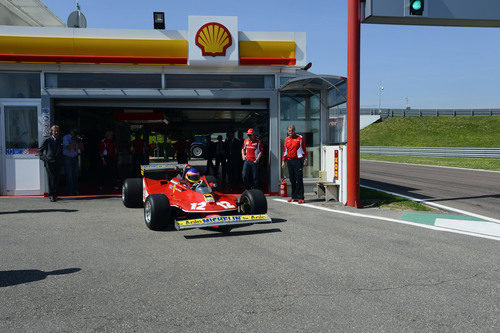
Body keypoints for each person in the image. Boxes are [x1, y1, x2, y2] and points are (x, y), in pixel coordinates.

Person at [282, 125, 307, 203]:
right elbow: (285, 151)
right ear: (287, 131)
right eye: (289, 131)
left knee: (299, 179)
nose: (290, 132)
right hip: (290, 161)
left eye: (292, 130)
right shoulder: (286, 140)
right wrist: (283, 161)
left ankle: (301, 197)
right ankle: (294, 196)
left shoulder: (300, 138)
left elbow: (304, 149)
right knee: (292, 180)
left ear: (294, 130)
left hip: (298, 161)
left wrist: (305, 159)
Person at [39, 125, 63, 202]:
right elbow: (40, 151)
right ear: (51, 131)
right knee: (51, 179)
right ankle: (51, 195)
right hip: (49, 162)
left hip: (58, 162)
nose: (56, 132)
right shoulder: (47, 140)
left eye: (57, 131)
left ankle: (55, 195)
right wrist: (44, 159)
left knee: (56, 179)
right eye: (54, 131)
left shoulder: (60, 140)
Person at [62, 129, 83, 195]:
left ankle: (75, 190)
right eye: (74, 131)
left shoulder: (77, 138)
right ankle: (70, 191)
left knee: (75, 175)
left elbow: (82, 149)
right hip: (68, 158)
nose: (74, 133)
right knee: (69, 175)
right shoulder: (66, 137)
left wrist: (80, 141)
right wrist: (73, 141)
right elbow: (68, 147)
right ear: (70, 131)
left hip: (75, 158)